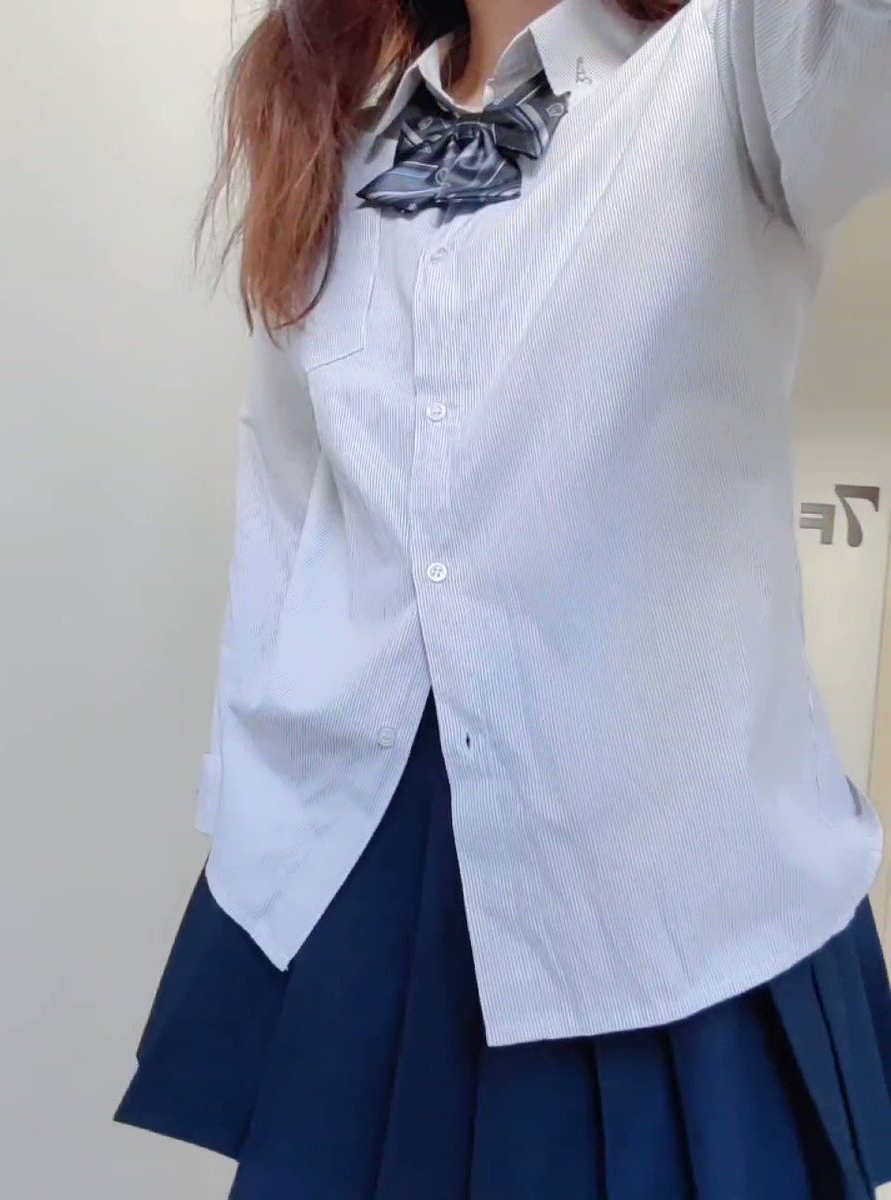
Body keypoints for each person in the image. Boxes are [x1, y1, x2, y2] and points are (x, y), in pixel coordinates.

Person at [115, 0, 891, 1195]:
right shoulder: (335, 144)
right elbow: (289, 510)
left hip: (671, 906)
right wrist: (256, 827)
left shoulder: (735, 64)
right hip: (363, 875)